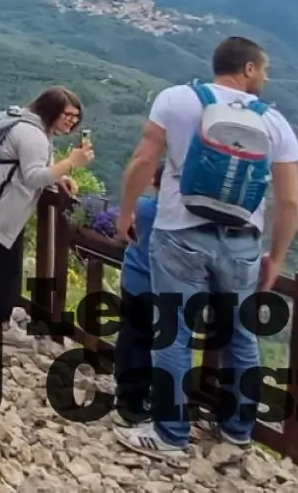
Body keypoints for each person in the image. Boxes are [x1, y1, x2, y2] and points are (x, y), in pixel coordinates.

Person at [114, 36, 298, 463]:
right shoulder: (274, 121)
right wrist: (277, 257)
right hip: (242, 244)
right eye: (264, 69)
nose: (267, 77)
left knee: (174, 334)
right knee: (242, 337)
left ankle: (171, 434)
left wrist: (127, 213)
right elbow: (290, 203)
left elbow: (144, 161)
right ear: (248, 69)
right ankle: (238, 431)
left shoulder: (177, 100)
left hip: (179, 233)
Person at [0, 86, 92, 345]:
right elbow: (33, 177)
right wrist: (71, 163)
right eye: (68, 114)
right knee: (7, 264)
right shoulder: (33, 134)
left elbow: (36, 167)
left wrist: (60, 176)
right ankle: (2, 321)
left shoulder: (32, 126)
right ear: (51, 109)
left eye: (76, 118)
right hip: (4, 203)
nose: (72, 121)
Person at [112, 167, 164, 426]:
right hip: (154, 287)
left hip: (131, 279)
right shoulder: (172, 216)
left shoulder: (142, 206)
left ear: (154, 181)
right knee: (146, 342)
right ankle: (135, 400)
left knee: (129, 333)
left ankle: (122, 384)